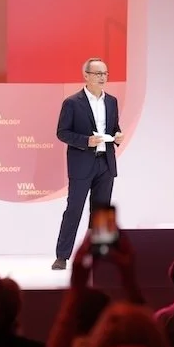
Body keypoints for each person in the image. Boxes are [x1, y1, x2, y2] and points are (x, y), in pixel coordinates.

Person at [52, 58, 124, 270]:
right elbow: (62, 132)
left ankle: (101, 257)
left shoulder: (111, 101)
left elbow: (114, 127)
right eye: (98, 73)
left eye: (105, 73)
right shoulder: (72, 103)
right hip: (82, 164)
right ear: (86, 76)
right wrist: (85, 141)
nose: (102, 77)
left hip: (105, 163)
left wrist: (118, 136)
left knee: (102, 212)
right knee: (74, 209)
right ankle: (62, 256)